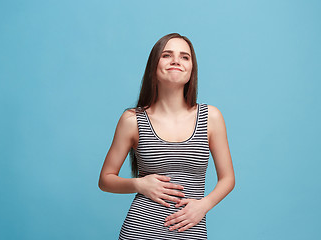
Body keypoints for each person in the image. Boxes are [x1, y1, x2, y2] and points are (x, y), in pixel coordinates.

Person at [98, 33, 235, 239]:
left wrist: (203, 206)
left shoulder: (211, 117)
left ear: (191, 70)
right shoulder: (132, 120)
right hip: (140, 232)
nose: (176, 61)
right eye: (167, 55)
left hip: (190, 232)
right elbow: (105, 180)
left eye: (184, 57)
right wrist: (139, 184)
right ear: (154, 65)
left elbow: (228, 179)